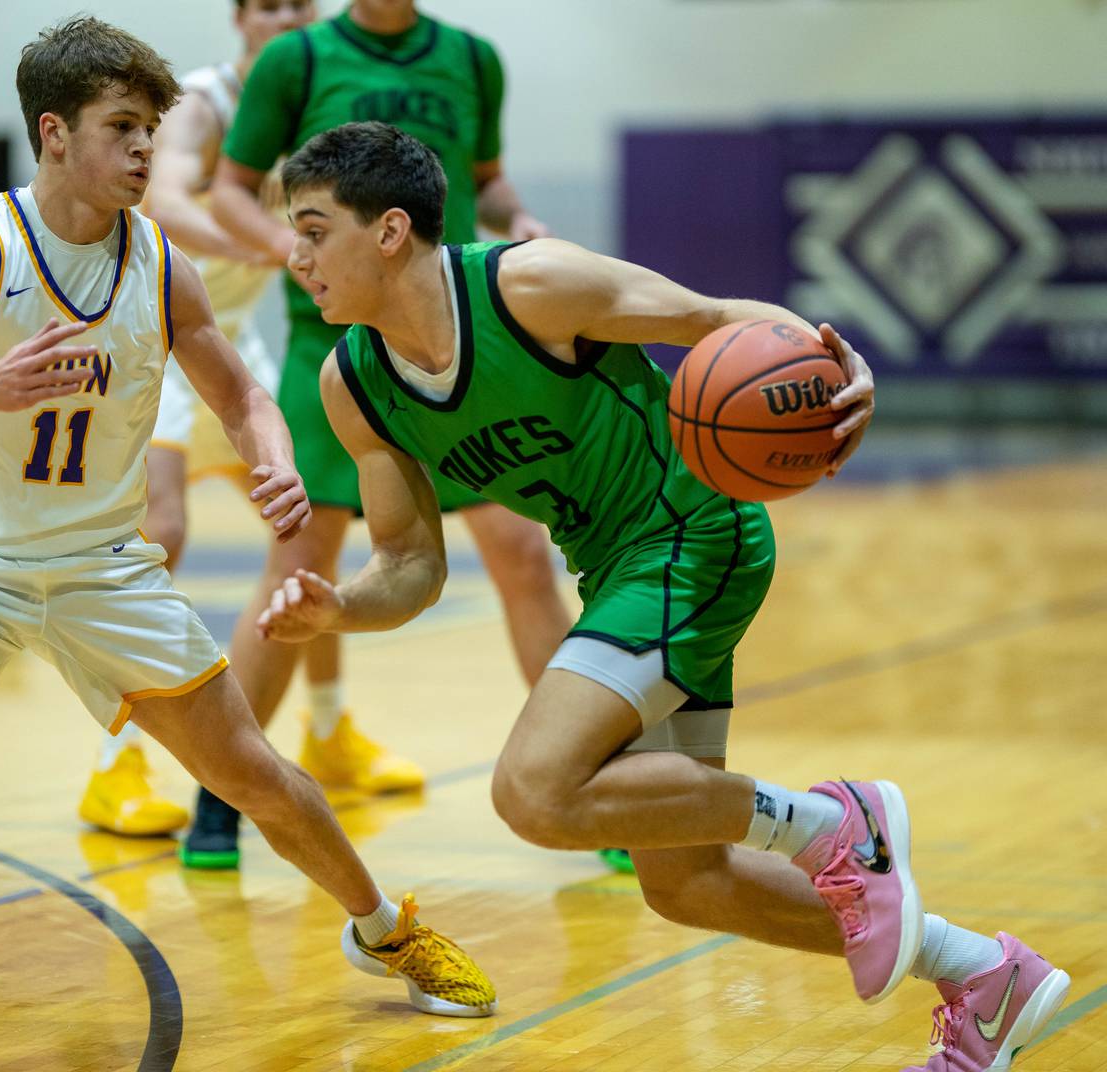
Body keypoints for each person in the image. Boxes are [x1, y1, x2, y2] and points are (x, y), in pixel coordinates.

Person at [0, 28, 497, 1072]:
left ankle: (386, 926)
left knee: (249, 769)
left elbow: (242, 391)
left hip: (104, 569)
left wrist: (271, 456)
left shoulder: (160, 264)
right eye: (123, 129)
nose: (143, 151)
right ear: (54, 133)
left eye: (152, 131)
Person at [256, 122, 1071, 1072]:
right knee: (686, 882)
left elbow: (718, 317)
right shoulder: (352, 381)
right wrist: (340, 610)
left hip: (695, 535)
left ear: (390, 230)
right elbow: (410, 564)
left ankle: (834, 826)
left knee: (532, 789)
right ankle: (983, 975)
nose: (294, 253)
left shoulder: (529, 285)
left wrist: (844, 373)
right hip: (618, 573)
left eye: (314, 229)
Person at [192, 0, 574, 869]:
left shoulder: (474, 60)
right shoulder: (297, 60)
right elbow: (226, 186)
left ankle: (597, 775)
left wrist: (519, 219)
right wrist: (291, 248)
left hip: (454, 341)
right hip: (332, 345)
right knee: (297, 571)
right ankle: (218, 798)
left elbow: (491, 178)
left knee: (520, 555)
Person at [76, 0, 323, 852]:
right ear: (242, 18)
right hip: (156, 326)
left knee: (310, 530)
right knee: (165, 533)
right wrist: (275, 242)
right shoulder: (207, 104)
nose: (287, 18)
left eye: (302, 4)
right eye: (270, 5)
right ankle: (117, 770)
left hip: (232, 334)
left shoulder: (318, 102)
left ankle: (327, 728)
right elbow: (171, 207)